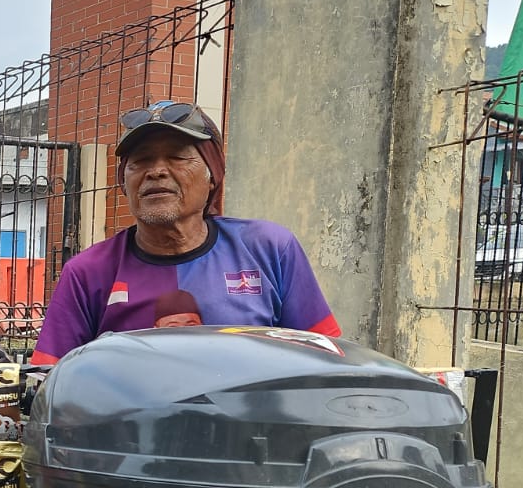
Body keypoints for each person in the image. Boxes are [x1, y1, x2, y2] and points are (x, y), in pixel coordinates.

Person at [31, 101, 340, 364]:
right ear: (124, 181)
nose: (156, 171)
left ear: (212, 176)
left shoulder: (270, 249)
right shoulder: (87, 273)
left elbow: (325, 361)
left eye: (177, 157)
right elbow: (50, 383)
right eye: (140, 161)